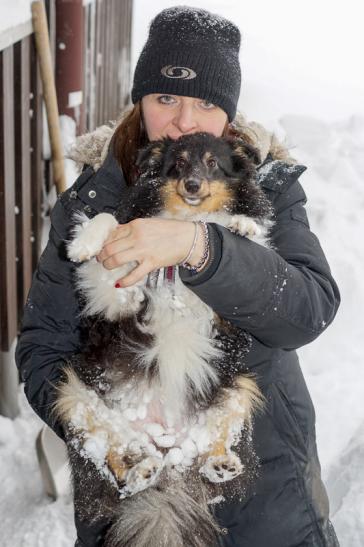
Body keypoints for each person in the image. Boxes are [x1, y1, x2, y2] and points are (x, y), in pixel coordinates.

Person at [16, 6, 341, 547]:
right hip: (132, 501)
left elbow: (307, 308)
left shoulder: (268, 186)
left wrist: (200, 248)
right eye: (166, 98)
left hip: (265, 511)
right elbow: (42, 347)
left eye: (206, 102)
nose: (185, 122)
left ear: (228, 114)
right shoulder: (92, 200)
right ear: (140, 99)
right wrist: (107, 425)